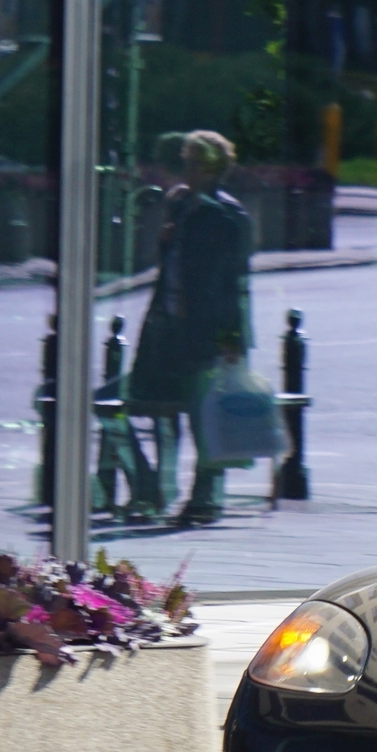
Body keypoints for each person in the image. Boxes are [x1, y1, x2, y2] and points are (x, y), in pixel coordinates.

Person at [126, 130, 255, 524]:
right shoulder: (182, 206)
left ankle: (204, 498)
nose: (191, 170)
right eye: (187, 162)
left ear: (217, 168)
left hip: (205, 333)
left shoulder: (227, 215)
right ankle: (153, 489)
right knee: (140, 408)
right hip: (167, 330)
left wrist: (231, 341)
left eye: (198, 163)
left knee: (205, 417)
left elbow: (234, 283)